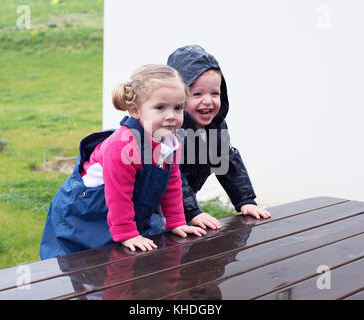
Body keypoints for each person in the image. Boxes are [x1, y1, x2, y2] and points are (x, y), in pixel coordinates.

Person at [40, 64, 206, 259]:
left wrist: (177, 221)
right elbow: (118, 194)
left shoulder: (169, 141)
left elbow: (171, 184)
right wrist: (128, 234)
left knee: (134, 265)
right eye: (160, 107)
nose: (171, 116)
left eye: (178, 108)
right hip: (87, 212)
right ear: (135, 110)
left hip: (122, 210)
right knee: (86, 266)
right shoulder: (122, 146)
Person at [167, 45, 271, 230]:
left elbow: (227, 162)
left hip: (182, 202)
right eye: (197, 94)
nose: (208, 100)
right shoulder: (170, 129)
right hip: (152, 204)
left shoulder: (215, 126)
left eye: (214, 93)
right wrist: (192, 212)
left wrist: (245, 200)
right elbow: (173, 174)